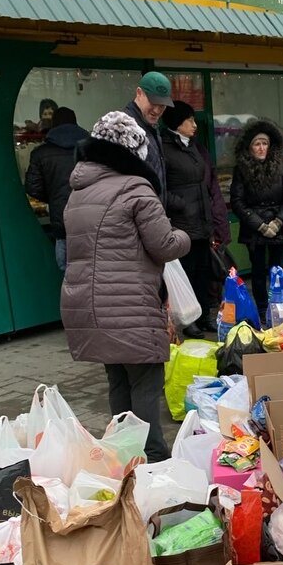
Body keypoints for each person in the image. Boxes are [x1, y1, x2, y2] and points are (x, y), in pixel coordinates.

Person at [61, 110, 190, 463]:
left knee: (118, 383)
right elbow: (164, 245)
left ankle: (122, 457)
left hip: (89, 308)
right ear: (134, 152)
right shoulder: (135, 188)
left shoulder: (78, 192)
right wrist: (184, 236)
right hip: (129, 306)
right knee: (145, 387)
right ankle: (155, 462)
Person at [161, 101, 229, 334]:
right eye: (189, 120)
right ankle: (188, 320)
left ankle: (204, 315)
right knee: (187, 273)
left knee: (203, 272)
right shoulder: (164, 148)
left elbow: (204, 182)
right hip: (181, 224)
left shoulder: (193, 147)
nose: (194, 124)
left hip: (201, 221)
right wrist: (181, 205)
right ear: (176, 123)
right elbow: (159, 188)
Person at [230, 119, 283, 319]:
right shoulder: (241, 169)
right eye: (257, 144)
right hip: (254, 228)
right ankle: (261, 309)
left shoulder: (281, 167)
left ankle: (279, 307)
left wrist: (278, 222)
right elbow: (238, 201)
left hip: (278, 225)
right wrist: (259, 225)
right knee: (258, 273)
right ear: (250, 147)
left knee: (278, 271)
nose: (261, 148)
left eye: (264, 143)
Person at [24, 107, 89, 272]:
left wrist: (53, 197)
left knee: (66, 275)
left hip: (62, 227)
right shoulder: (91, 149)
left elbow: (32, 187)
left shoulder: (41, 153)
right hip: (91, 221)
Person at [124, 71, 174, 202]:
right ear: (139, 93)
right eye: (153, 102)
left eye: (162, 105)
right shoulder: (124, 129)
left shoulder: (151, 127)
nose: (157, 110)